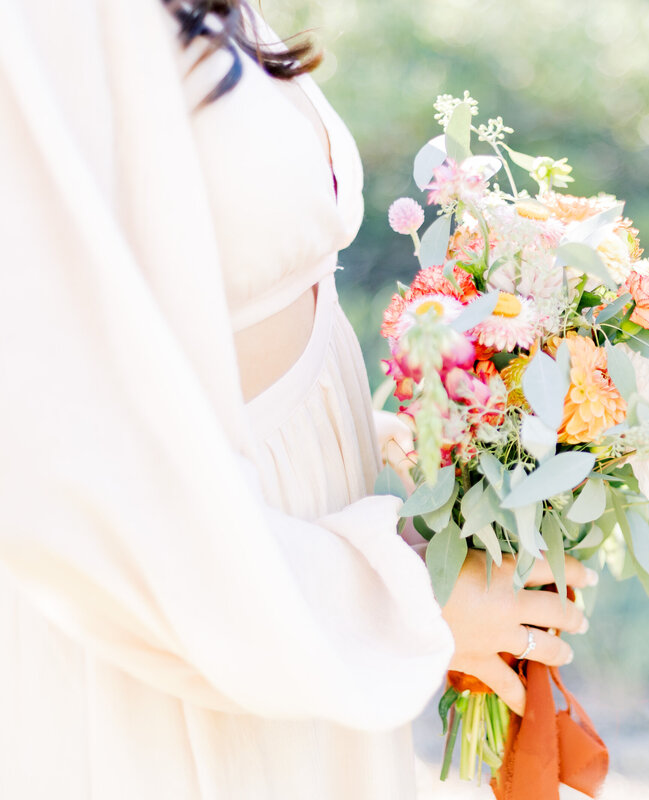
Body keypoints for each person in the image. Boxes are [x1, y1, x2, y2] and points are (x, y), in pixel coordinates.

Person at [0, 1, 589, 797]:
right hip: (203, 612)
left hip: (286, 554)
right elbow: (61, 449)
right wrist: (394, 606)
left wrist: (377, 439)